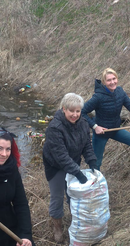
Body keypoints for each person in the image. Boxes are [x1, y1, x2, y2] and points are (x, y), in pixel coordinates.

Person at [81, 68, 130, 177]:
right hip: (101, 133)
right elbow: (82, 112)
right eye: (109, 80)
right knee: (97, 161)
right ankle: (94, 182)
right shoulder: (98, 97)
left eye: (114, 79)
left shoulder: (120, 92)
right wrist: (95, 127)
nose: (112, 82)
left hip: (116, 130)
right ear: (104, 82)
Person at [42, 93, 97, 243]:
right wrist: (77, 172)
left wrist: (92, 161)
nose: (75, 115)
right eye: (71, 111)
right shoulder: (55, 128)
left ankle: (76, 221)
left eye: (78, 111)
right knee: (57, 196)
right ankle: (57, 227)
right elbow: (60, 156)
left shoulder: (83, 123)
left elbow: (86, 144)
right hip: (55, 165)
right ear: (64, 109)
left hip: (73, 162)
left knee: (73, 194)